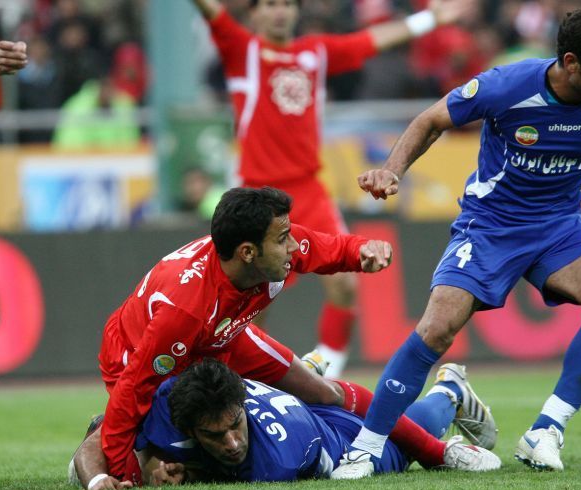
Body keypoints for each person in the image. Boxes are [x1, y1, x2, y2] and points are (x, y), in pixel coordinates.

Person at [331, 1, 581, 478]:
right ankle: (366, 448)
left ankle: (547, 430)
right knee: (438, 327)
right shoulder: (507, 86)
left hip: (560, 226)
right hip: (491, 226)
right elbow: (431, 120)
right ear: (570, 63)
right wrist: (392, 170)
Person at [190, 0, 475, 377]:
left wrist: (429, 19)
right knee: (252, 300)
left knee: (345, 284)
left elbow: (368, 41)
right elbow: (212, 11)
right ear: (253, 13)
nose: (280, 12)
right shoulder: (244, 50)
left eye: (287, 4)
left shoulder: (315, 53)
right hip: (258, 195)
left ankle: (326, 372)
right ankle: (245, 378)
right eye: (271, 5)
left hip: (308, 189)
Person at [97, 186, 394, 485]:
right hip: (139, 353)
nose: (294, 245)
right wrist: (123, 476)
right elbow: (133, 388)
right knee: (169, 443)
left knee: (324, 392)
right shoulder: (185, 310)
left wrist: (362, 249)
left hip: (222, 334)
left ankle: (424, 446)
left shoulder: (270, 247)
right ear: (248, 253)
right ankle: (93, 457)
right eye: (284, 238)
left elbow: (325, 248)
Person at [70, 359, 501, 490]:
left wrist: (160, 467)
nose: (233, 442)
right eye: (215, 435)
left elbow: (215, 475)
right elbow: (98, 436)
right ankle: (306, 367)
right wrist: (99, 480)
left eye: (235, 426)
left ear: (241, 404)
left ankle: (450, 390)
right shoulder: (171, 398)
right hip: (298, 405)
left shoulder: (276, 462)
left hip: (341, 444)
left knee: (409, 436)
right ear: (188, 427)